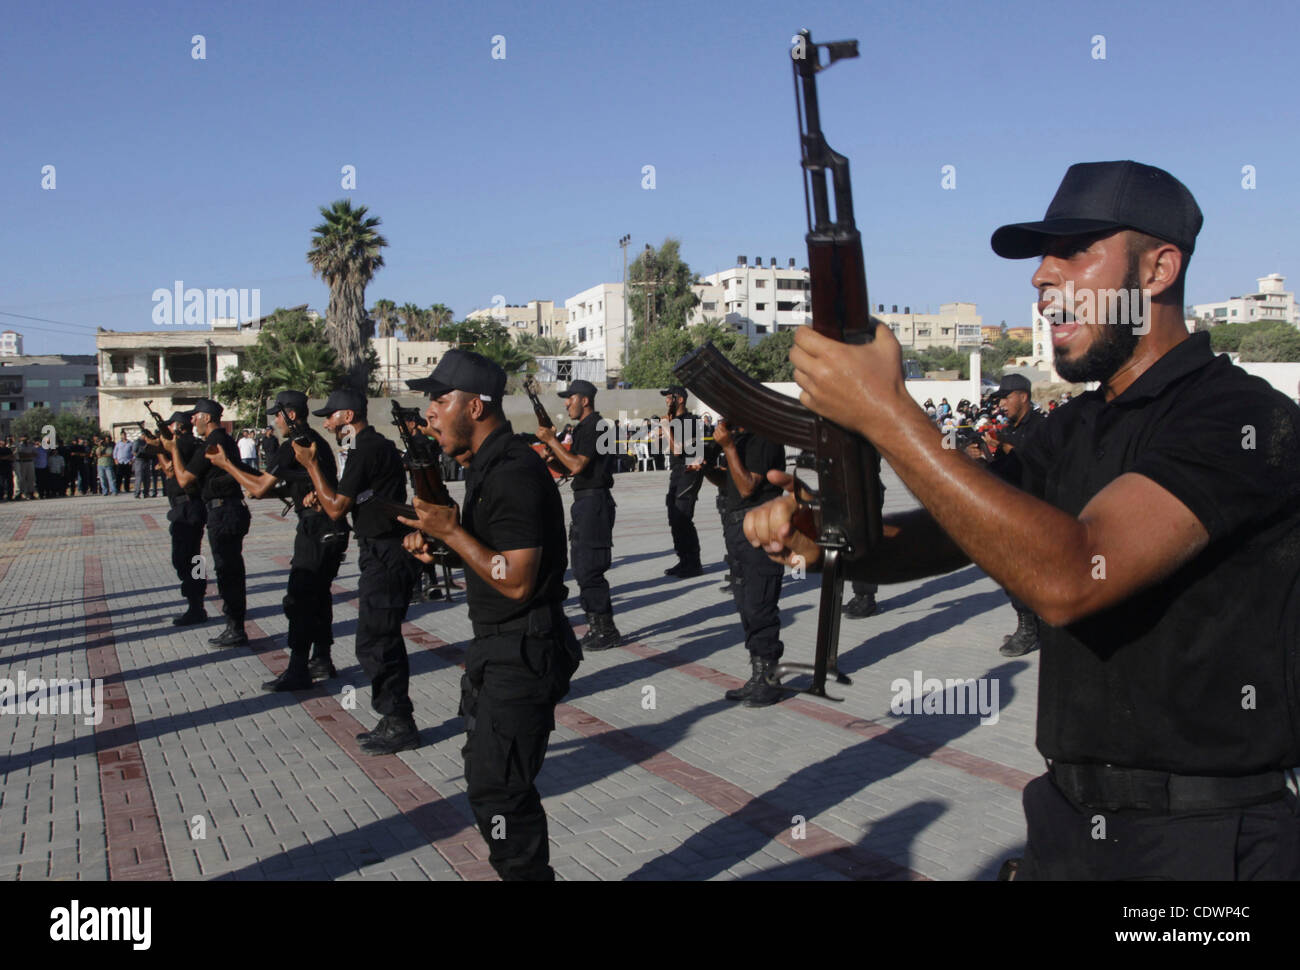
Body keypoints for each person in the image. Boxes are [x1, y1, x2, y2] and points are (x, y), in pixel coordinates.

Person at [746, 160, 1300, 881]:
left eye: (1074, 250)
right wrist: (828, 544)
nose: (1042, 275)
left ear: (1159, 268)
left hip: (1205, 841)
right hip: (1069, 823)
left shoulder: (1242, 418)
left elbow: (1074, 575)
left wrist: (887, 412)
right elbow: (952, 528)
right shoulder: (1073, 428)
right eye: (1042, 256)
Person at [401, 349, 580, 881]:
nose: (429, 412)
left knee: (500, 790)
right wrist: (443, 545)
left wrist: (453, 533)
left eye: (439, 399)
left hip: (524, 650)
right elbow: (495, 551)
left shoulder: (513, 471)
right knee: (491, 781)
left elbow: (519, 578)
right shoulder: (487, 467)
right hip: (499, 647)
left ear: (475, 407)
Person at [292, 387, 421, 754]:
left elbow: (336, 509)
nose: (328, 424)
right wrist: (321, 490)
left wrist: (312, 465)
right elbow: (347, 498)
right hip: (378, 551)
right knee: (377, 639)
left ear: (347, 416)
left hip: (386, 553)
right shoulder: (366, 448)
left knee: (377, 641)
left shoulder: (367, 448)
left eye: (331, 416)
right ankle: (392, 716)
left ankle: (400, 721)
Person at [209, 391, 349, 689]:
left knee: (298, 599)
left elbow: (258, 488)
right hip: (332, 529)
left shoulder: (293, 446)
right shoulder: (317, 442)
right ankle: (321, 659)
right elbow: (303, 483)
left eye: (277, 414)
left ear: (292, 415)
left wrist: (227, 465)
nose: (274, 421)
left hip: (315, 530)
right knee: (320, 596)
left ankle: (298, 669)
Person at [693, 418, 788, 707]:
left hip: (760, 531)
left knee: (760, 605)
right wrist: (707, 468)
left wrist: (729, 447)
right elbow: (729, 481)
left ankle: (770, 679)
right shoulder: (741, 436)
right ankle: (758, 673)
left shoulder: (765, 437)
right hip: (737, 533)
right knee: (745, 604)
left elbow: (747, 487)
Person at [537, 378, 620, 650]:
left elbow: (578, 466)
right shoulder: (590, 427)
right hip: (588, 499)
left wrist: (552, 441)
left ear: (584, 400)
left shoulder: (597, 426)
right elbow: (574, 470)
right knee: (584, 566)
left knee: (590, 568)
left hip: (594, 502)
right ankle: (597, 626)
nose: (566, 403)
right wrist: (555, 460)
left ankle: (605, 629)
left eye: (570, 398)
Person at [167, 398, 252, 647]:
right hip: (208, 510)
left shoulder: (210, 443)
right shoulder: (214, 441)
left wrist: (171, 448)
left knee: (211, 565)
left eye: (195, 416)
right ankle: (204, 607)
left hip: (200, 511)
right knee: (202, 563)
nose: (192, 420)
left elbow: (183, 479)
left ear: (205, 417)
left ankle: (204, 608)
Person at [982, 372, 1048, 657]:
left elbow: (1042, 467)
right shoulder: (1009, 429)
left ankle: (1030, 629)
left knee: (1020, 575)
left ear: (1023, 396)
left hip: (1035, 515)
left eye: (1006, 398)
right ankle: (1032, 625)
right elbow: (1003, 473)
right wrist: (984, 457)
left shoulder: (1043, 428)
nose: (1002, 405)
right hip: (1011, 513)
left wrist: (1010, 450)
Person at [142, 412, 209, 625]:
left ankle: (196, 605)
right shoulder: (183, 444)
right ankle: (197, 601)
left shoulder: (186, 443)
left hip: (187, 507)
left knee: (186, 557)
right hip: (186, 508)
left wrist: (159, 449)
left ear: (177, 427)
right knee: (190, 557)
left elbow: (170, 471)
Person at [654, 385, 704, 577]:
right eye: (665, 398)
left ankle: (693, 563)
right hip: (677, 472)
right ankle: (684, 560)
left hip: (689, 471)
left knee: (683, 517)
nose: (666, 401)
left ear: (680, 399)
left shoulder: (691, 421)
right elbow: (658, 441)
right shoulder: (673, 421)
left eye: (669, 397)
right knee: (674, 517)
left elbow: (678, 449)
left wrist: (666, 428)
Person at [113, 431, 133, 495]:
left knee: (127, 477)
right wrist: (115, 460)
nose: (123, 436)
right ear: (121, 436)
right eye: (122, 435)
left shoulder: (130, 443)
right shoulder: (118, 443)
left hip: (127, 462)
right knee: (119, 476)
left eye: (124, 435)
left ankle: (127, 488)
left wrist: (132, 460)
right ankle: (118, 489)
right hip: (120, 462)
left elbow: (134, 452)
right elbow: (115, 452)